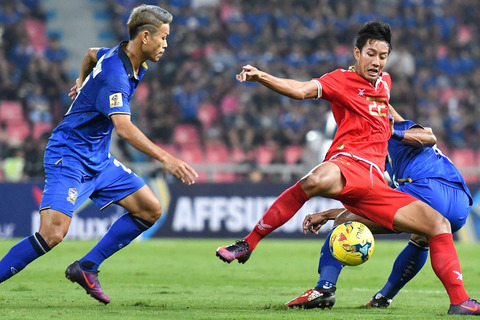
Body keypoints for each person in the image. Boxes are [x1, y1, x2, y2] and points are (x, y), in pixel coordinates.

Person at [215, 21, 480, 315]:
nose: (377, 62)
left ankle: (459, 301)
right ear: (357, 53)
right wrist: (262, 76)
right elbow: (302, 90)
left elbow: (404, 124)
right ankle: (248, 243)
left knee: (437, 225)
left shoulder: (385, 85)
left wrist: (394, 129)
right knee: (315, 180)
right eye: (371, 54)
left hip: (377, 183)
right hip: (349, 163)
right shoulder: (339, 80)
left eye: (382, 56)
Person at [0, 5, 198, 304]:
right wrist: (166, 159)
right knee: (52, 234)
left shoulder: (124, 57)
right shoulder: (117, 75)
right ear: (145, 36)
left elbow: (91, 53)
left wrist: (81, 82)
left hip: (98, 158)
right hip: (68, 154)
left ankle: (87, 267)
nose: (166, 44)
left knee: (150, 209)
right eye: (163, 37)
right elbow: (124, 128)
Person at [286, 108, 473, 312]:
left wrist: (392, 131)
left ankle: (324, 288)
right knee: (422, 237)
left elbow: (429, 136)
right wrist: (327, 213)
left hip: (426, 189)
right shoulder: (386, 154)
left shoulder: (392, 128)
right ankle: (388, 298)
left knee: (345, 224)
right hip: (459, 202)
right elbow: (377, 201)